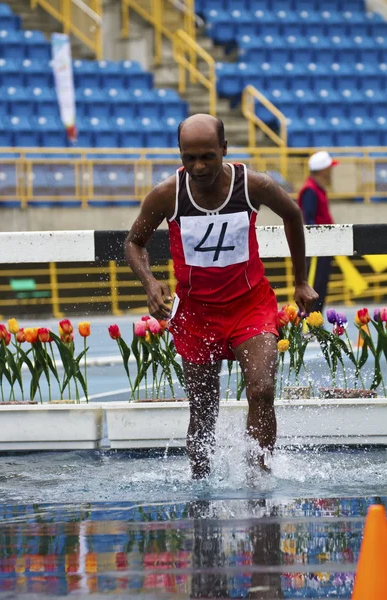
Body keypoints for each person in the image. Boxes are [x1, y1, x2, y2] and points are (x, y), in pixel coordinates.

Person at [125, 114, 318, 479]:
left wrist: (301, 281)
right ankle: (201, 483)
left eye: (208, 157)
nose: (198, 166)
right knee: (203, 409)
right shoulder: (168, 194)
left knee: (262, 388)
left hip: (250, 305)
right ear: (180, 155)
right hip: (196, 314)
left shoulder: (251, 185)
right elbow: (134, 243)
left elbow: (293, 214)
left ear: (225, 150)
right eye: (189, 157)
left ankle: (259, 475)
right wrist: (150, 282)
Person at [298, 150, 339, 314]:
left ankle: (314, 323)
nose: (331, 171)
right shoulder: (310, 190)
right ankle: (309, 326)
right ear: (323, 170)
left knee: (320, 287)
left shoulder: (316, 189)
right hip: (317, 249)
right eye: (329, 168)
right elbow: (309, 221)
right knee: (315, 287)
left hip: (323, 248)